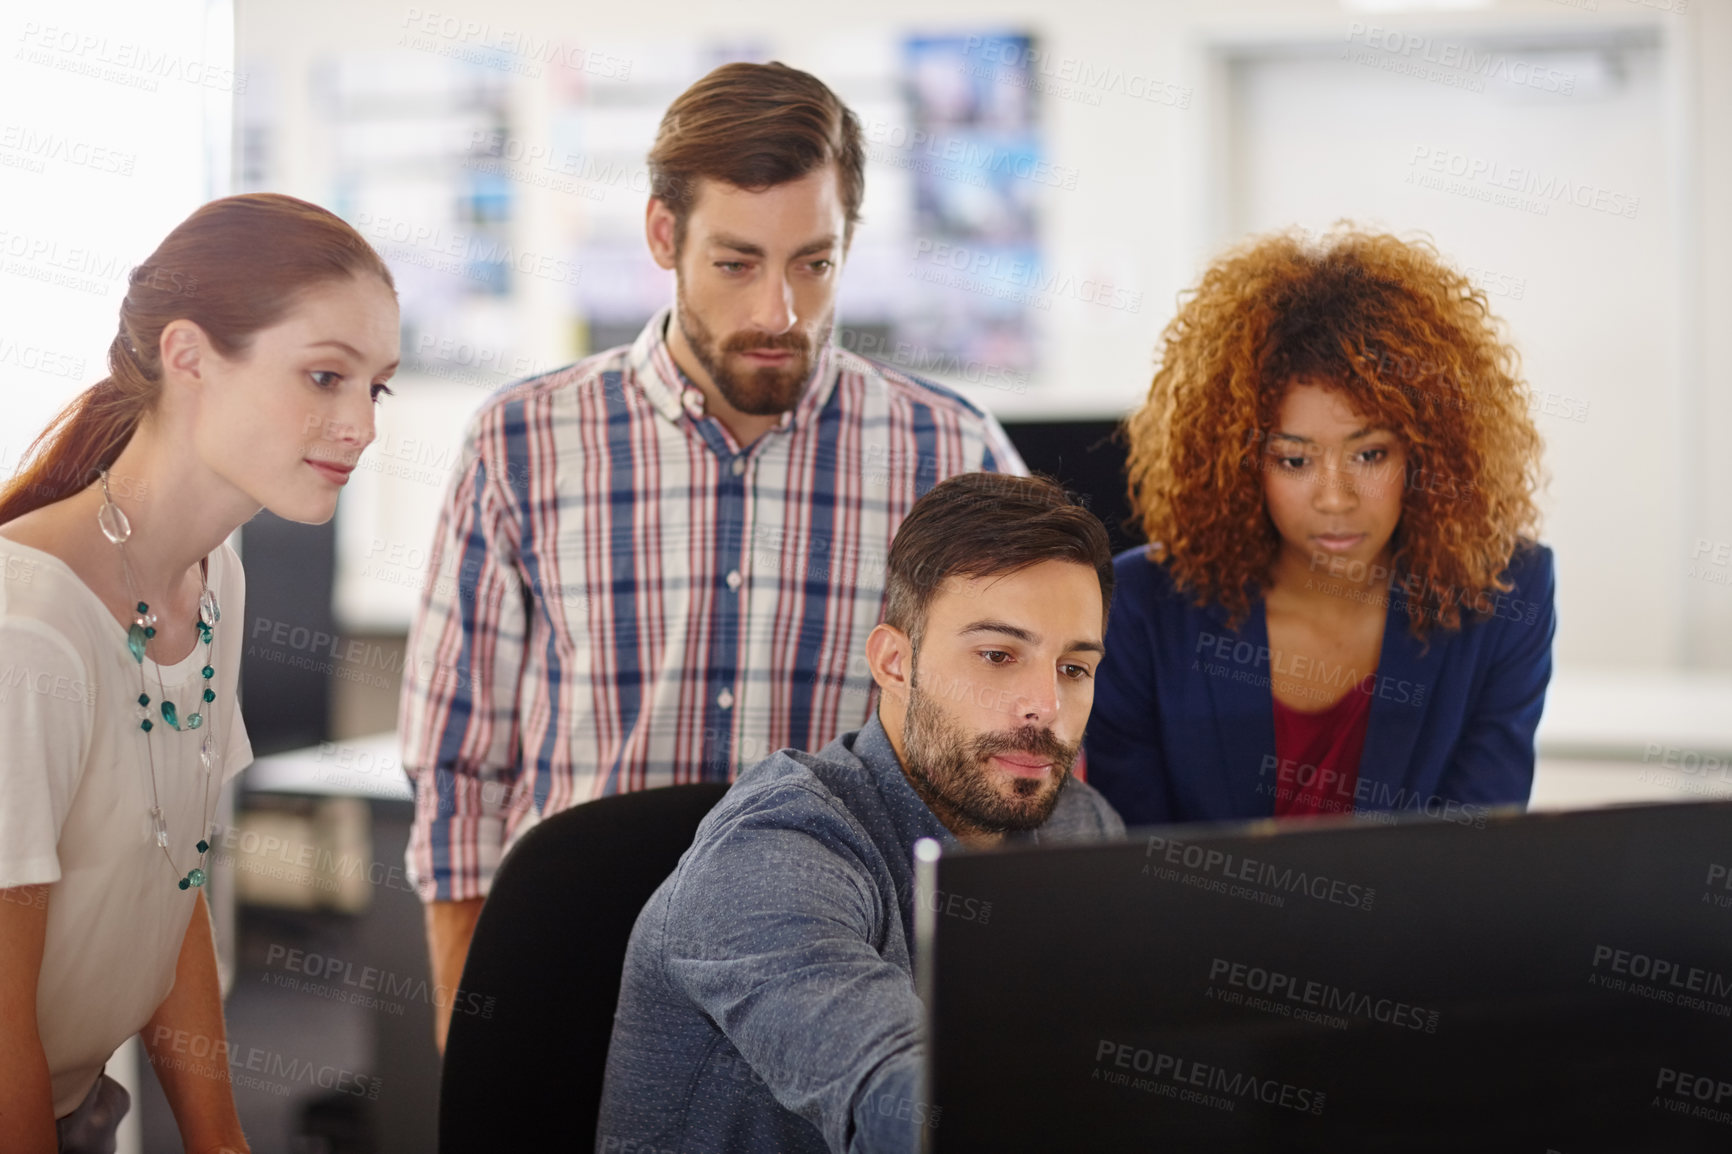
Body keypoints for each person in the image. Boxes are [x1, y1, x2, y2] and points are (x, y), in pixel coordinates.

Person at [400, 61, 1027, 1049]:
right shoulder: (521, 441)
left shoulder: (949, 452)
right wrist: (468, 1028)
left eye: (813, 263)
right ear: (664, 234)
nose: (778, 310)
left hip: (845, 996)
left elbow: (1008, 738)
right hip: (578, 984)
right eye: (737, 263)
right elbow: (457, 758)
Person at [0, 193, 399, 1154]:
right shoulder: (31, 625)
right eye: (322, 376)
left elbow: (167, 879)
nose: (361, 427)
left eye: (374, 389)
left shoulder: (214, 576)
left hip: (78, 1106)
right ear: (188, 357)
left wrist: (223, 1141)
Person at [595, 472, 1122, 1153]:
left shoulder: (1082, 827)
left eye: (1074, 668)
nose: (1044, 705)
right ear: (896, 664)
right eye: (997, 656)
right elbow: (904, 1096)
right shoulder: (771, 850)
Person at [1084, 226, 1554, 827]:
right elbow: (1138, 862)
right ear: (1237, 464)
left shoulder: (1507, 595)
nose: (1335, 498)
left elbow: (1476, 856)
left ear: (1429, 452)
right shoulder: (1141, 608)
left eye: (1370, 454)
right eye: (1295, 460)